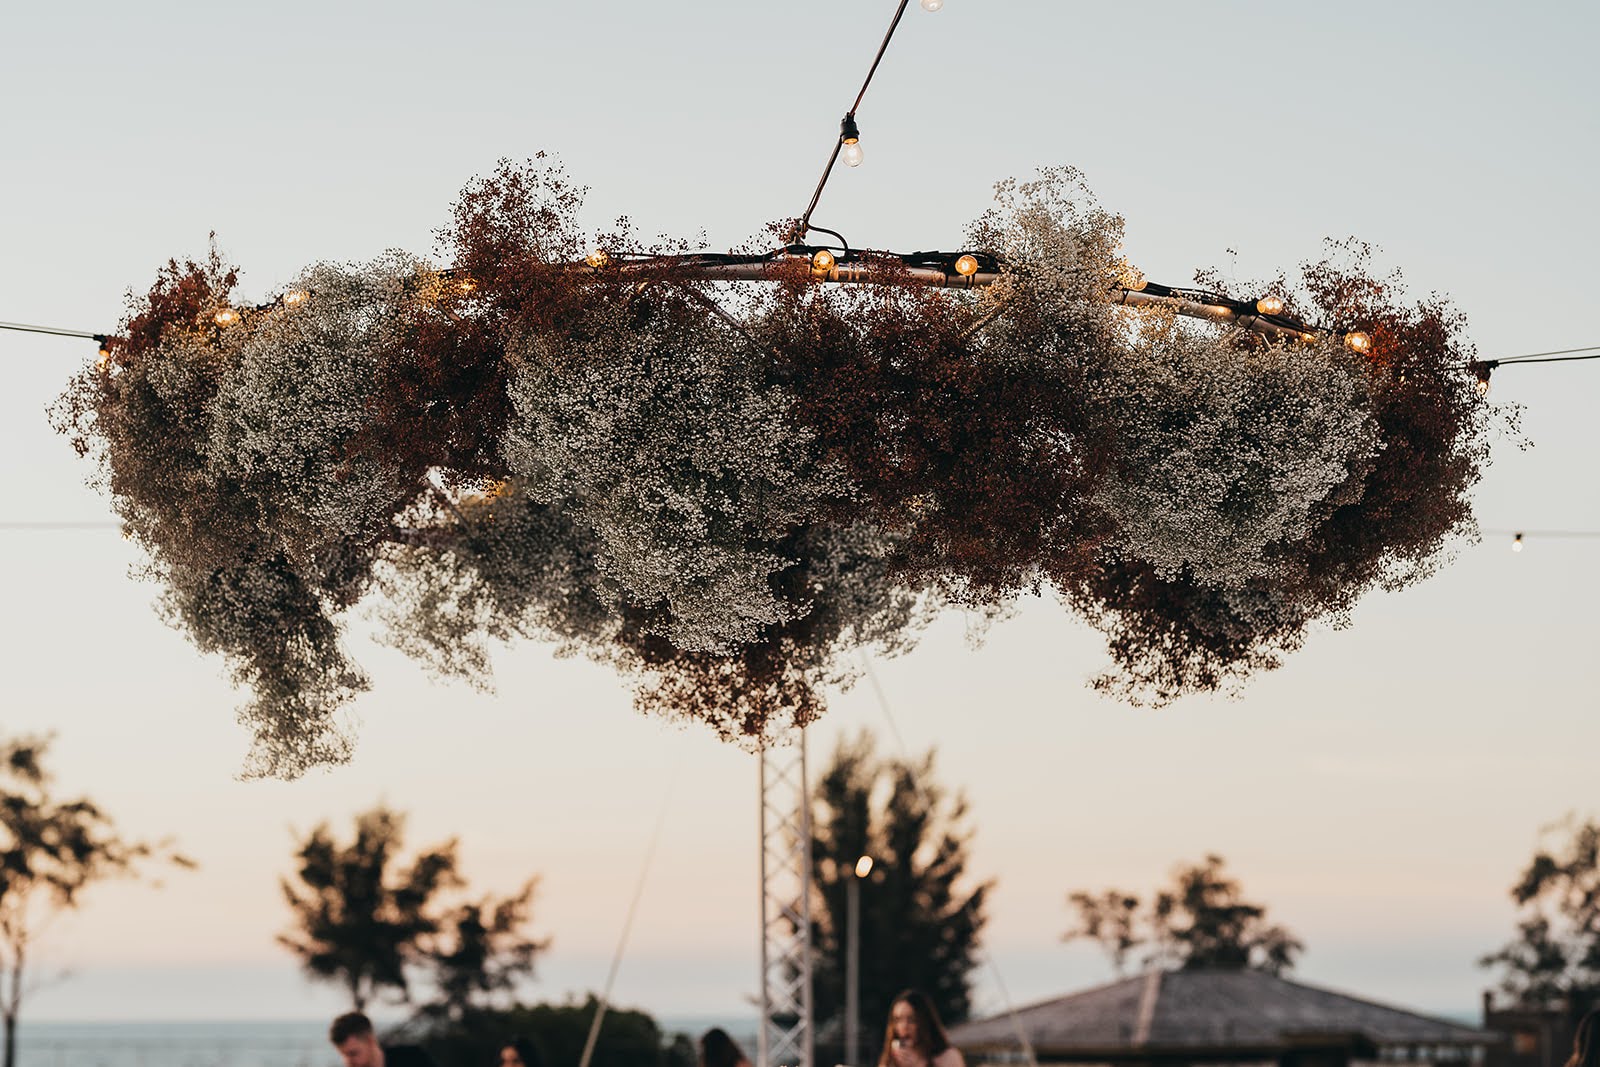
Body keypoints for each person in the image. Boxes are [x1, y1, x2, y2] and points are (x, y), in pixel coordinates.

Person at [878, 990, 964, 1067]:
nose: (904, 1026)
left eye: (911, 1019)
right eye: (897, 1019)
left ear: (924, 1021)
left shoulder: (948, 1057)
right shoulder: (890, 1060)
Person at [329, 1011, 439, 1067]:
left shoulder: (413, 1057)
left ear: (370, 1040)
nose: (349, 1062)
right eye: (343, 1055)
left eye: (353, 1053)